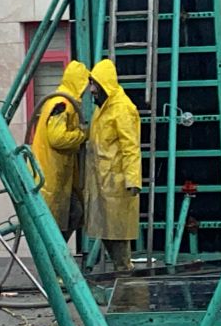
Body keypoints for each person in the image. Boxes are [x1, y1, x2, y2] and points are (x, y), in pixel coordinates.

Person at [83, 58, 143, 276]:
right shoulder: (103, 109)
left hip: (116, 181)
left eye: (94, 85)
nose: (91, 90)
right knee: (106, 229)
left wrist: (133, 179)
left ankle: (124, 271)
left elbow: (131, 147)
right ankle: (122, 272)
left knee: (117, 231)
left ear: (104, 84)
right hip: (102, 179)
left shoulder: (122, 109)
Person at [30, 60, 90, 236]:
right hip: (50, 175)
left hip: (54, 174)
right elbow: (57, 138)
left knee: (73, 214)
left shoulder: (59, 101)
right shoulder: (63, 104)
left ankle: (58, 257)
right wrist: (82, 135)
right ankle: (57, 258)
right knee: (67, 217)